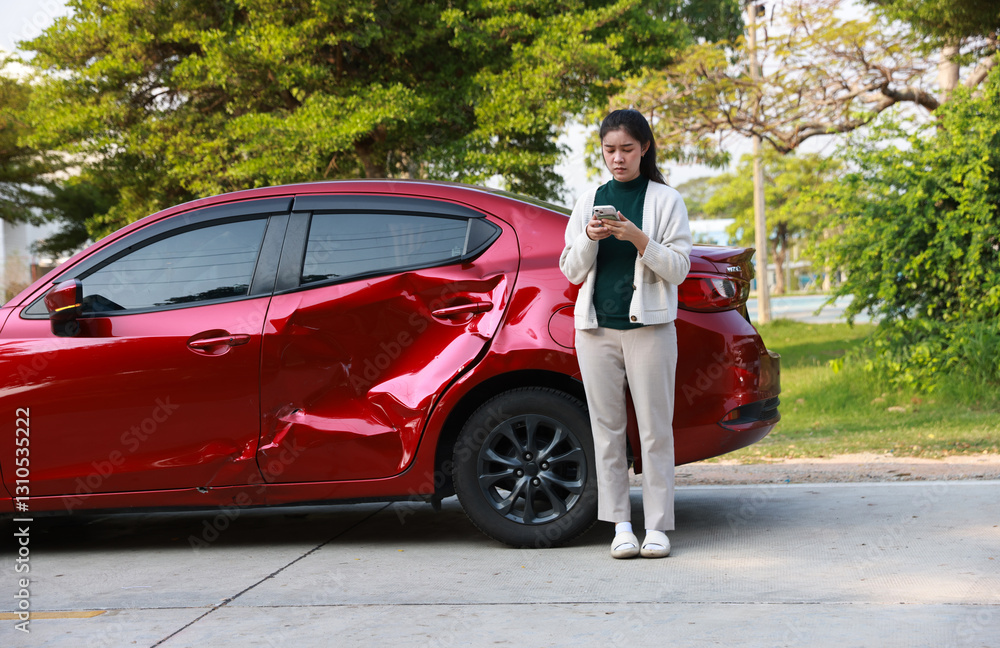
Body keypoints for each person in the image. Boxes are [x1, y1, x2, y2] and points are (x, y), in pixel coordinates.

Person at [559, 109, 692, 559]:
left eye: (627, 149)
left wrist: (638, 238)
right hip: (595, 331)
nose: (618, 158)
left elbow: (679, 269)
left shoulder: (666, 200)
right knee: (607, 432)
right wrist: (589, 236)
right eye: (610, 150)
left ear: (645, 148)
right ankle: (620, 526)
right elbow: (571, 270)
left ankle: (657, 527)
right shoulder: (588, 200)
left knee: (655, 432)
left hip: (650, 331)